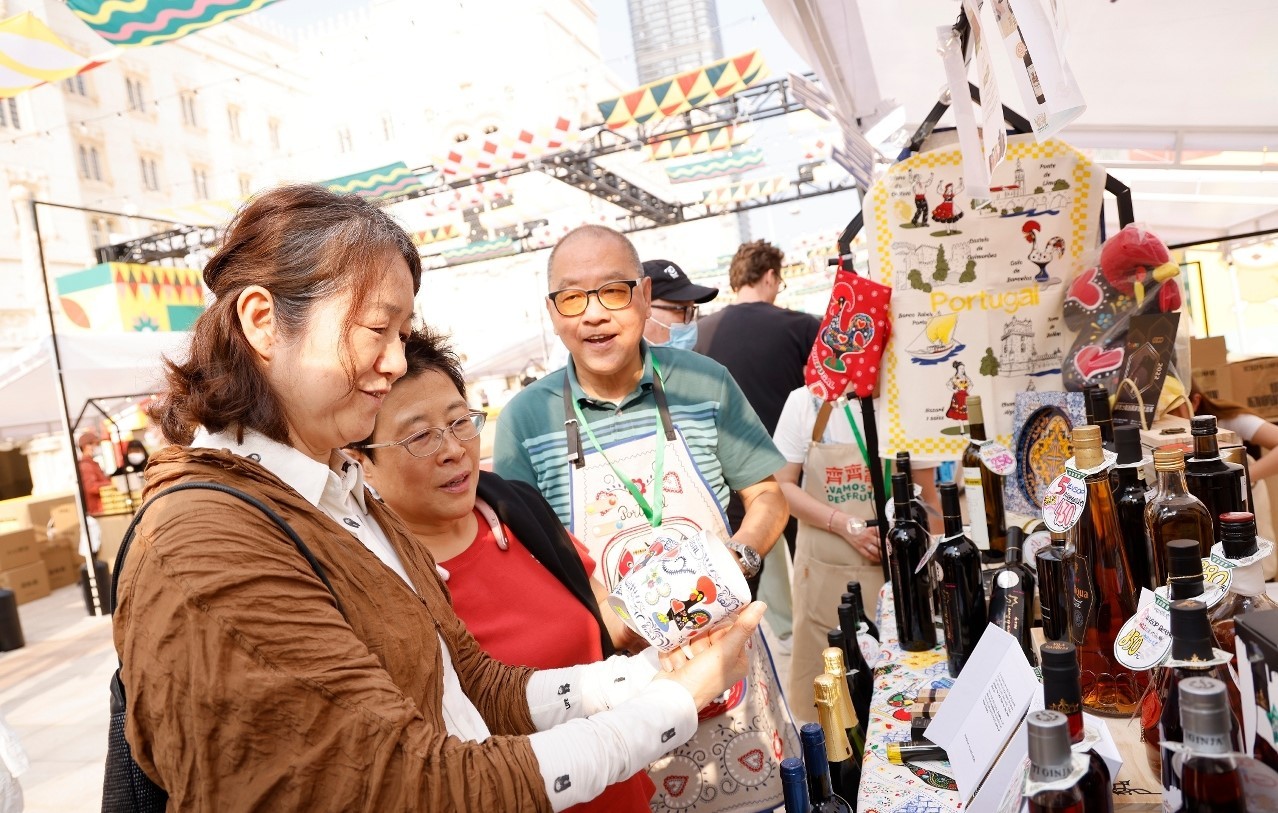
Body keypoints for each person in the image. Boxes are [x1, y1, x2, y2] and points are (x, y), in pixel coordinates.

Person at [114, 185, 762, 811]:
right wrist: (673, 703)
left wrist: (647, 673)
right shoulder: (207, 538)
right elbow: (406, 781)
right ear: (263, 322)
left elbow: (471, 683)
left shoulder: (340, 495)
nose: (397, 361)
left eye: (402, 333)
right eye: (377, 328)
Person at [494, 224, 799, 813]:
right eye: (572, 298)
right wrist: (611, 620)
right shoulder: (525, 421)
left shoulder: (705, 383)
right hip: (619, 683)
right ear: (553, 313)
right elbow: (528, 565)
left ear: (642, 296)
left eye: (612, 291)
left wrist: (735, 561)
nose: (593, 315)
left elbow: (768, 495)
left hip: (726, 655)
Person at [350, 326, 654, 811]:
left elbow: (605, 616)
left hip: (621, 791)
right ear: (359, 462)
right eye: (420, 436)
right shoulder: (373, 582)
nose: (453, 449)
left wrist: (669, 618)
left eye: (459, 422)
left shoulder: (516, 508)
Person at [772, 385, 942, 721]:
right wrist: (843, 524)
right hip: (825, 575)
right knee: (832, 706)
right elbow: (780, 486)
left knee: (902, 703)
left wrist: (934, 565)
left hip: (901, 576)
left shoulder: (912, 397)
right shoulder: (807, 402)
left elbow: (929, 496)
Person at [640, 259, 718, 350]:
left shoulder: (692, 358)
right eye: (680, 309)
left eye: (691, 310)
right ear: (643, 307)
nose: (691, 321)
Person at [75, 430, 111, 515]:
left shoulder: (92, 464)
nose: (96, 447)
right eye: (95, 444)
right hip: (97, 510)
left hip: (102, 508)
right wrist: (110, 484)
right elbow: (91, 487)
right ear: (86, 446)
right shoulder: (86, 466)